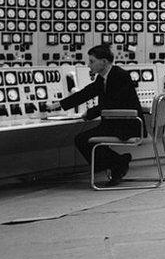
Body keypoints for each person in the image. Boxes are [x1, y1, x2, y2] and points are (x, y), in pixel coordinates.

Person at [46, 44, 145, 186]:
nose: (88, 65)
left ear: (103, 62)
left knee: (82, 139)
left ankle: (118, 163)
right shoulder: (103, 77)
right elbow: (86, 93)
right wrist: (58, 105)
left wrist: (89, 114)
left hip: (127, 126)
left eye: (92, 61)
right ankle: (118, 163)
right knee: (85, 139)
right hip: (115, 124)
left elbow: (113, 103)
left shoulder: (120, 76)